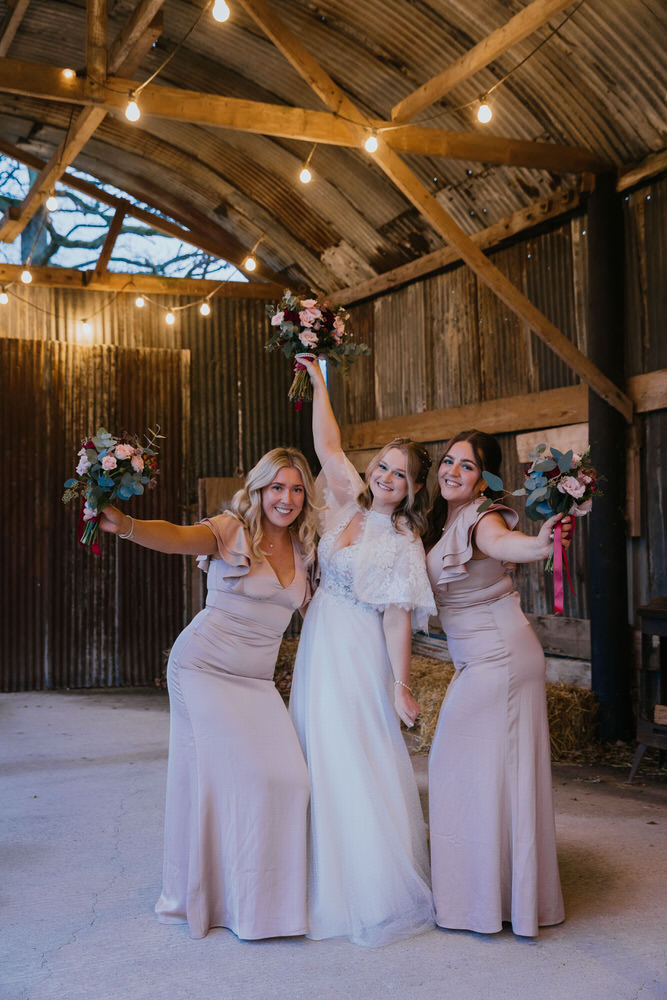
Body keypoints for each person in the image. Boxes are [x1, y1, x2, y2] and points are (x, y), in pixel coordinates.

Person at [99, 448, 317, 941]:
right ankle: (216, 901)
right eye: (277, 487)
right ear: (259, 489)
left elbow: (322, 615)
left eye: (296, 489)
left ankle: (267, 906)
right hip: (203, 667)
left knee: (291, 781)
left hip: (257, 683)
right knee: (247, 778)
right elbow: (176, 537)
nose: (286, 499)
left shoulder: (305, 549)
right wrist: (127, 525)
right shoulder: (231, 530)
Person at [288, 358, 436, 947]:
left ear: (414, 488)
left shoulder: (402, 539)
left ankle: (367, 889)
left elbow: (397, 618)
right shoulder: (346, 502)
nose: (388, 477)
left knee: (349, 753)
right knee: (313, 748)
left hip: (357, 650)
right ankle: (310, 873)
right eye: (385, 466)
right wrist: (319, 382)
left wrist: (401, 685)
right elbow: (327, 446)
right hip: (319, 643)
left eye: (402, 474)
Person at [422, 430, 570, 938]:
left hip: (499, 659)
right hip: (486, 659)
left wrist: (539, 544)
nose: (452, 471)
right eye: (448, 461)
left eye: (466, 466)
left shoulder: (481, 518)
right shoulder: (446, 520)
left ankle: (480, 903)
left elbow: (504, 543)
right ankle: (494, 901)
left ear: (484, 480)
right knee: (487, 778)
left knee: (452, 768)